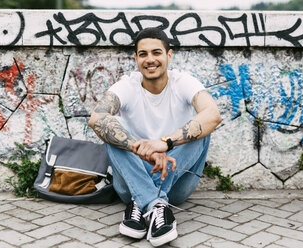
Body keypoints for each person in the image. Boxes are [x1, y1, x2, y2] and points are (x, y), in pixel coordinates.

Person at [88, 27, 221, 247]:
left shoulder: (183, 82)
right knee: (112, 128)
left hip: (176, 182)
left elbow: (213, 115)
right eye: (143, 54)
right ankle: (158, 207)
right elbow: (96, 118)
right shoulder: (128, 85)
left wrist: (164, 144)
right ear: (136, 58)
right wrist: (143, 150)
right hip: (131, 182)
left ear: (169, 55)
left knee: (200, 130)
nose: (150, 59)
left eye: (157, 52)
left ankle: (140, 205)